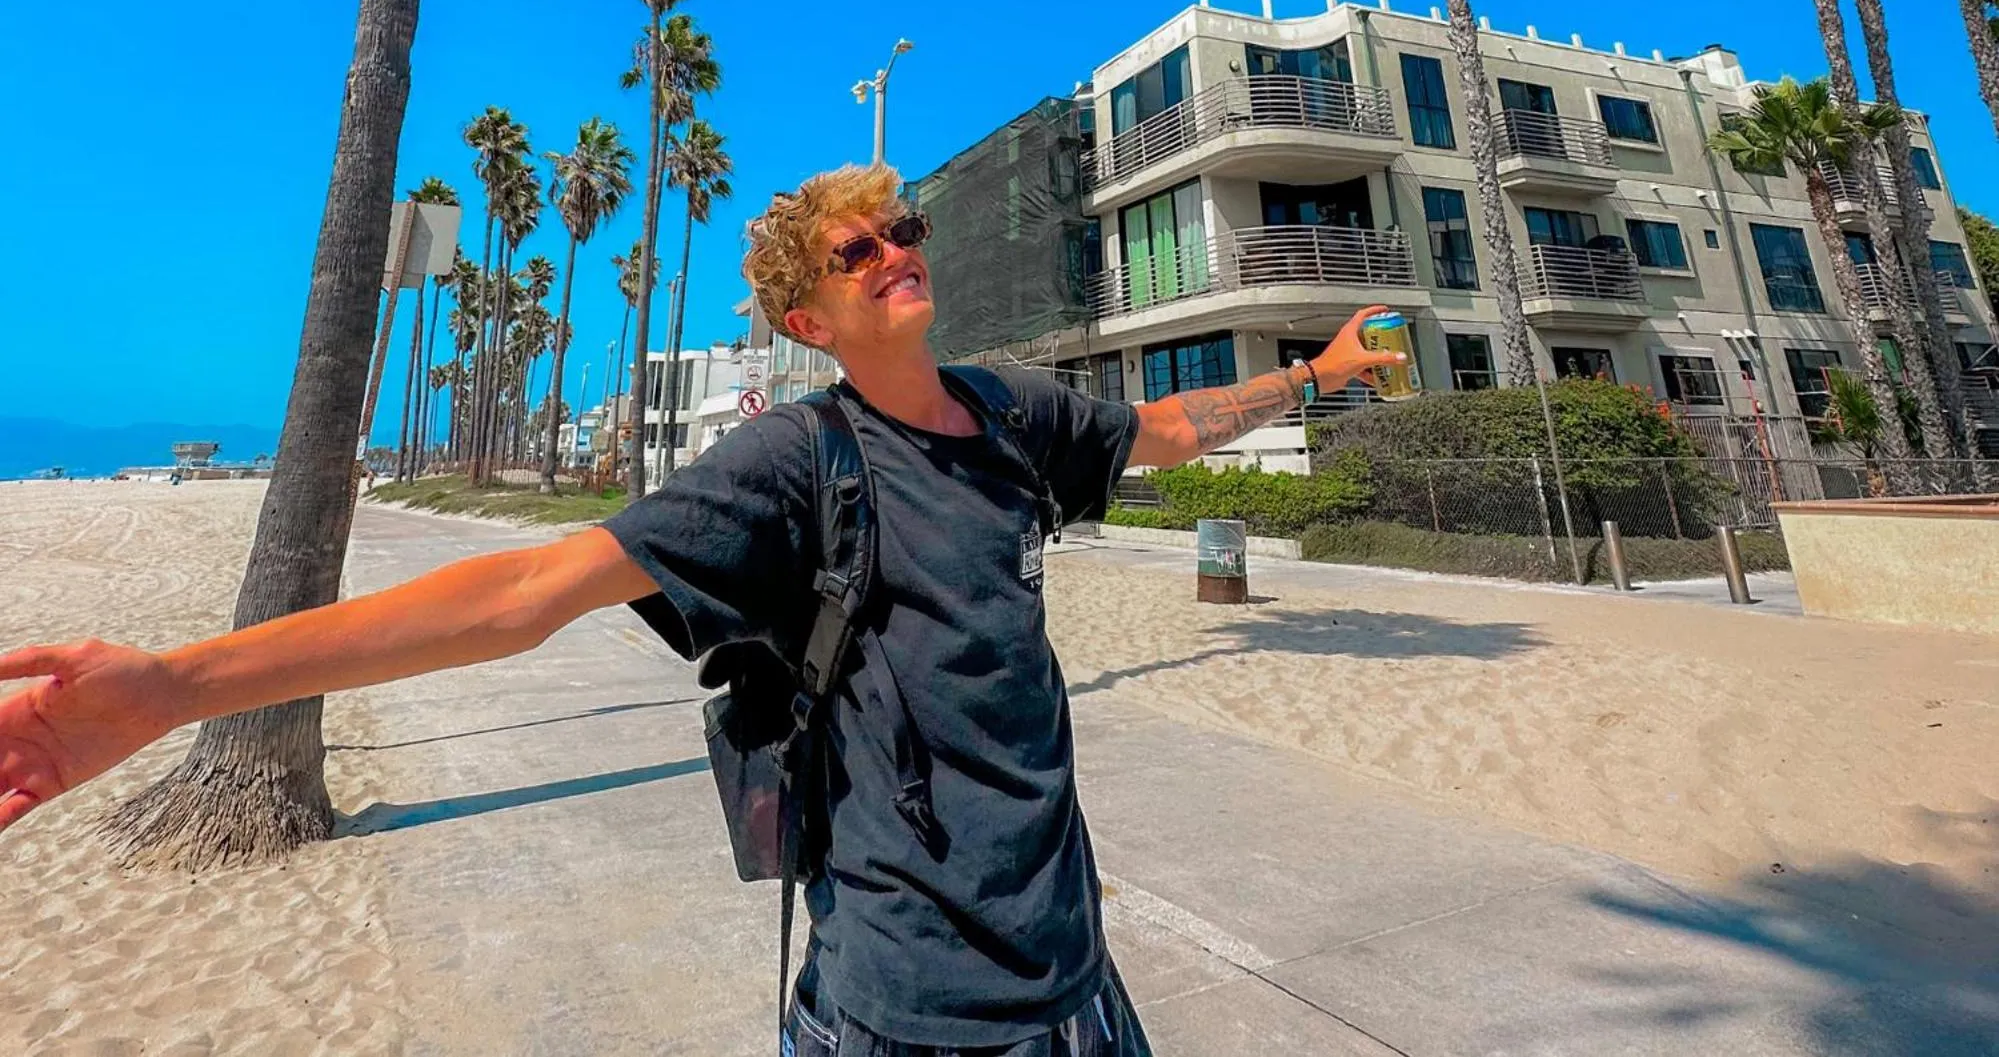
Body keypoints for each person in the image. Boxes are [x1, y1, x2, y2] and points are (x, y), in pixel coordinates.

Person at [0, 163, 1405, 1055]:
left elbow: (1156, 427)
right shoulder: (797, 462)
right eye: (854, 253)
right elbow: (522, 591)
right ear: (807, 323)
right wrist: (178, 687)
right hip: (908, 995)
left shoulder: (1008, 411)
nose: (892, 250)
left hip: (1073, 971)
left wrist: (1320, 375)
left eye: (899, 229)